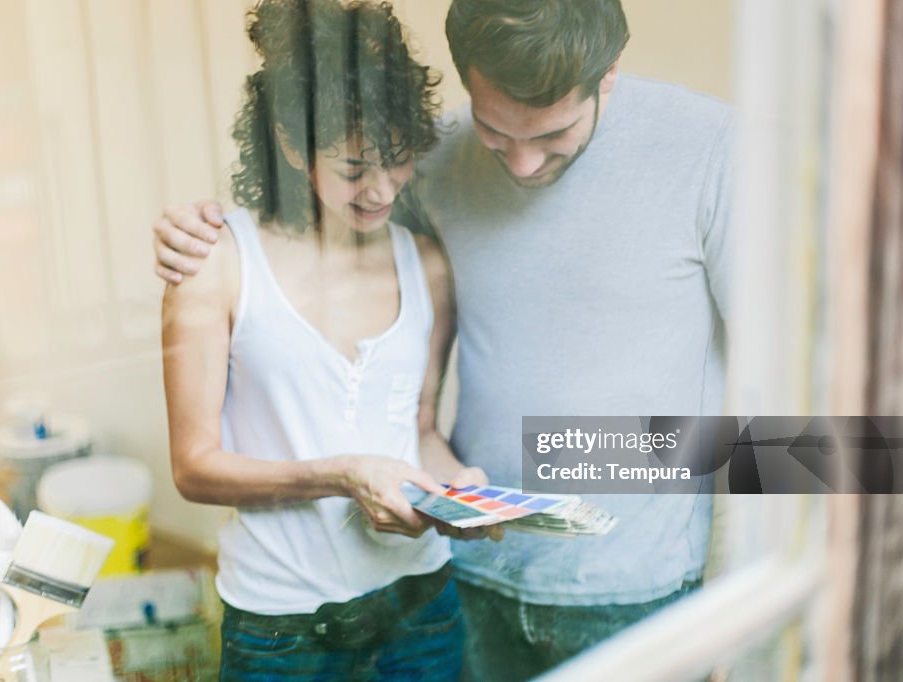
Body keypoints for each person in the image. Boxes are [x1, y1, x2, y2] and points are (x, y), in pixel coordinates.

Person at [155, 1, 737, 679]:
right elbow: (307, 247)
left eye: (554, 135)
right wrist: (194, 226)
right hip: (471, 578)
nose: (521, 164)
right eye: (495, 131)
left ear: (607, 75)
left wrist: (747, 574)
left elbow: (813, 390)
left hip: (636, 592)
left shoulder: (713, 148)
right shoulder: (431, 154)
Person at [161, 1, 492, 679]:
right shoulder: (217, 263)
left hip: (422, 608)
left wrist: (458, 487)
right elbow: (194, 467)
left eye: (399, 162)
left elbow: (419, 427)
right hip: (281, 630)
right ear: (290, 144)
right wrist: (341, 475)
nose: (381, 189)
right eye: (353, 168)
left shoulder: (425, 264)